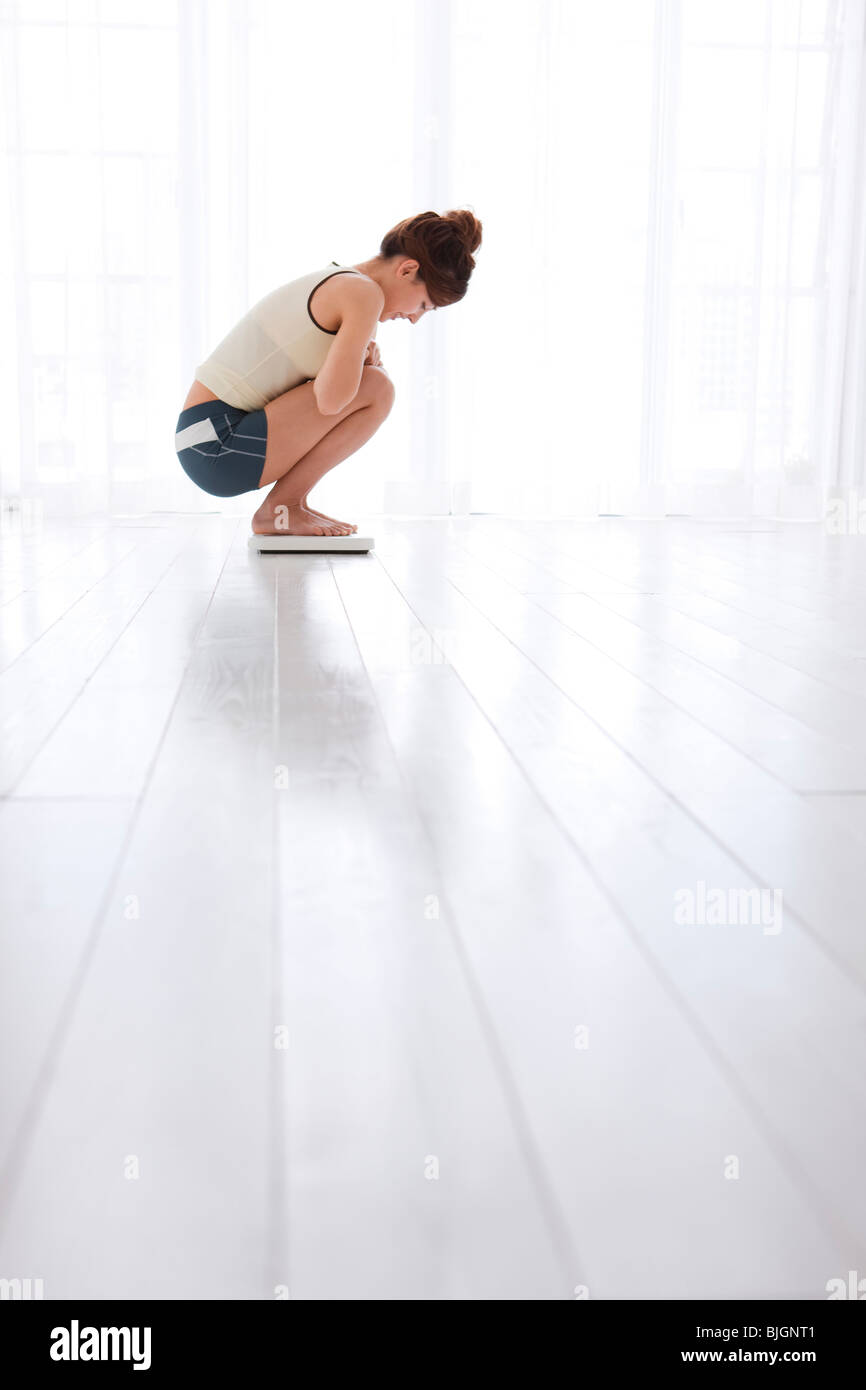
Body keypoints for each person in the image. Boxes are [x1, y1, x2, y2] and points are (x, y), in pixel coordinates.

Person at [174, 209, 483, 537]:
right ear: (408, 269)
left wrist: (361, 366)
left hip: (202, 439)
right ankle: (283, 507)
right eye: (423, 305)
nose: (414, 318)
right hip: (215, 445)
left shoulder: (346, 281)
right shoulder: (362, 293)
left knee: (374, 385)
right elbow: (332, 400)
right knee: (378, 389)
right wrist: (365, 367)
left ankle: (290, 505)